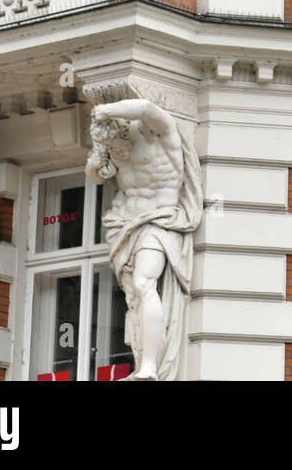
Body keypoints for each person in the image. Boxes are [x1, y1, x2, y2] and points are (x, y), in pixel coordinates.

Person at [88, 98, 202, 381]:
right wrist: (96, 165)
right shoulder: (111, 146)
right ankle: (143, 361)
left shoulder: (158, 132)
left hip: (159, 222)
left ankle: (151, 366)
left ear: (125, 127)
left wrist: (106, 109)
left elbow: (148, 109)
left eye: (117, 142)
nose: (117, 151)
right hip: (123, 225)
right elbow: (96, 176)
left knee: (144, 283)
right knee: (135, 299)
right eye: (111, 147)